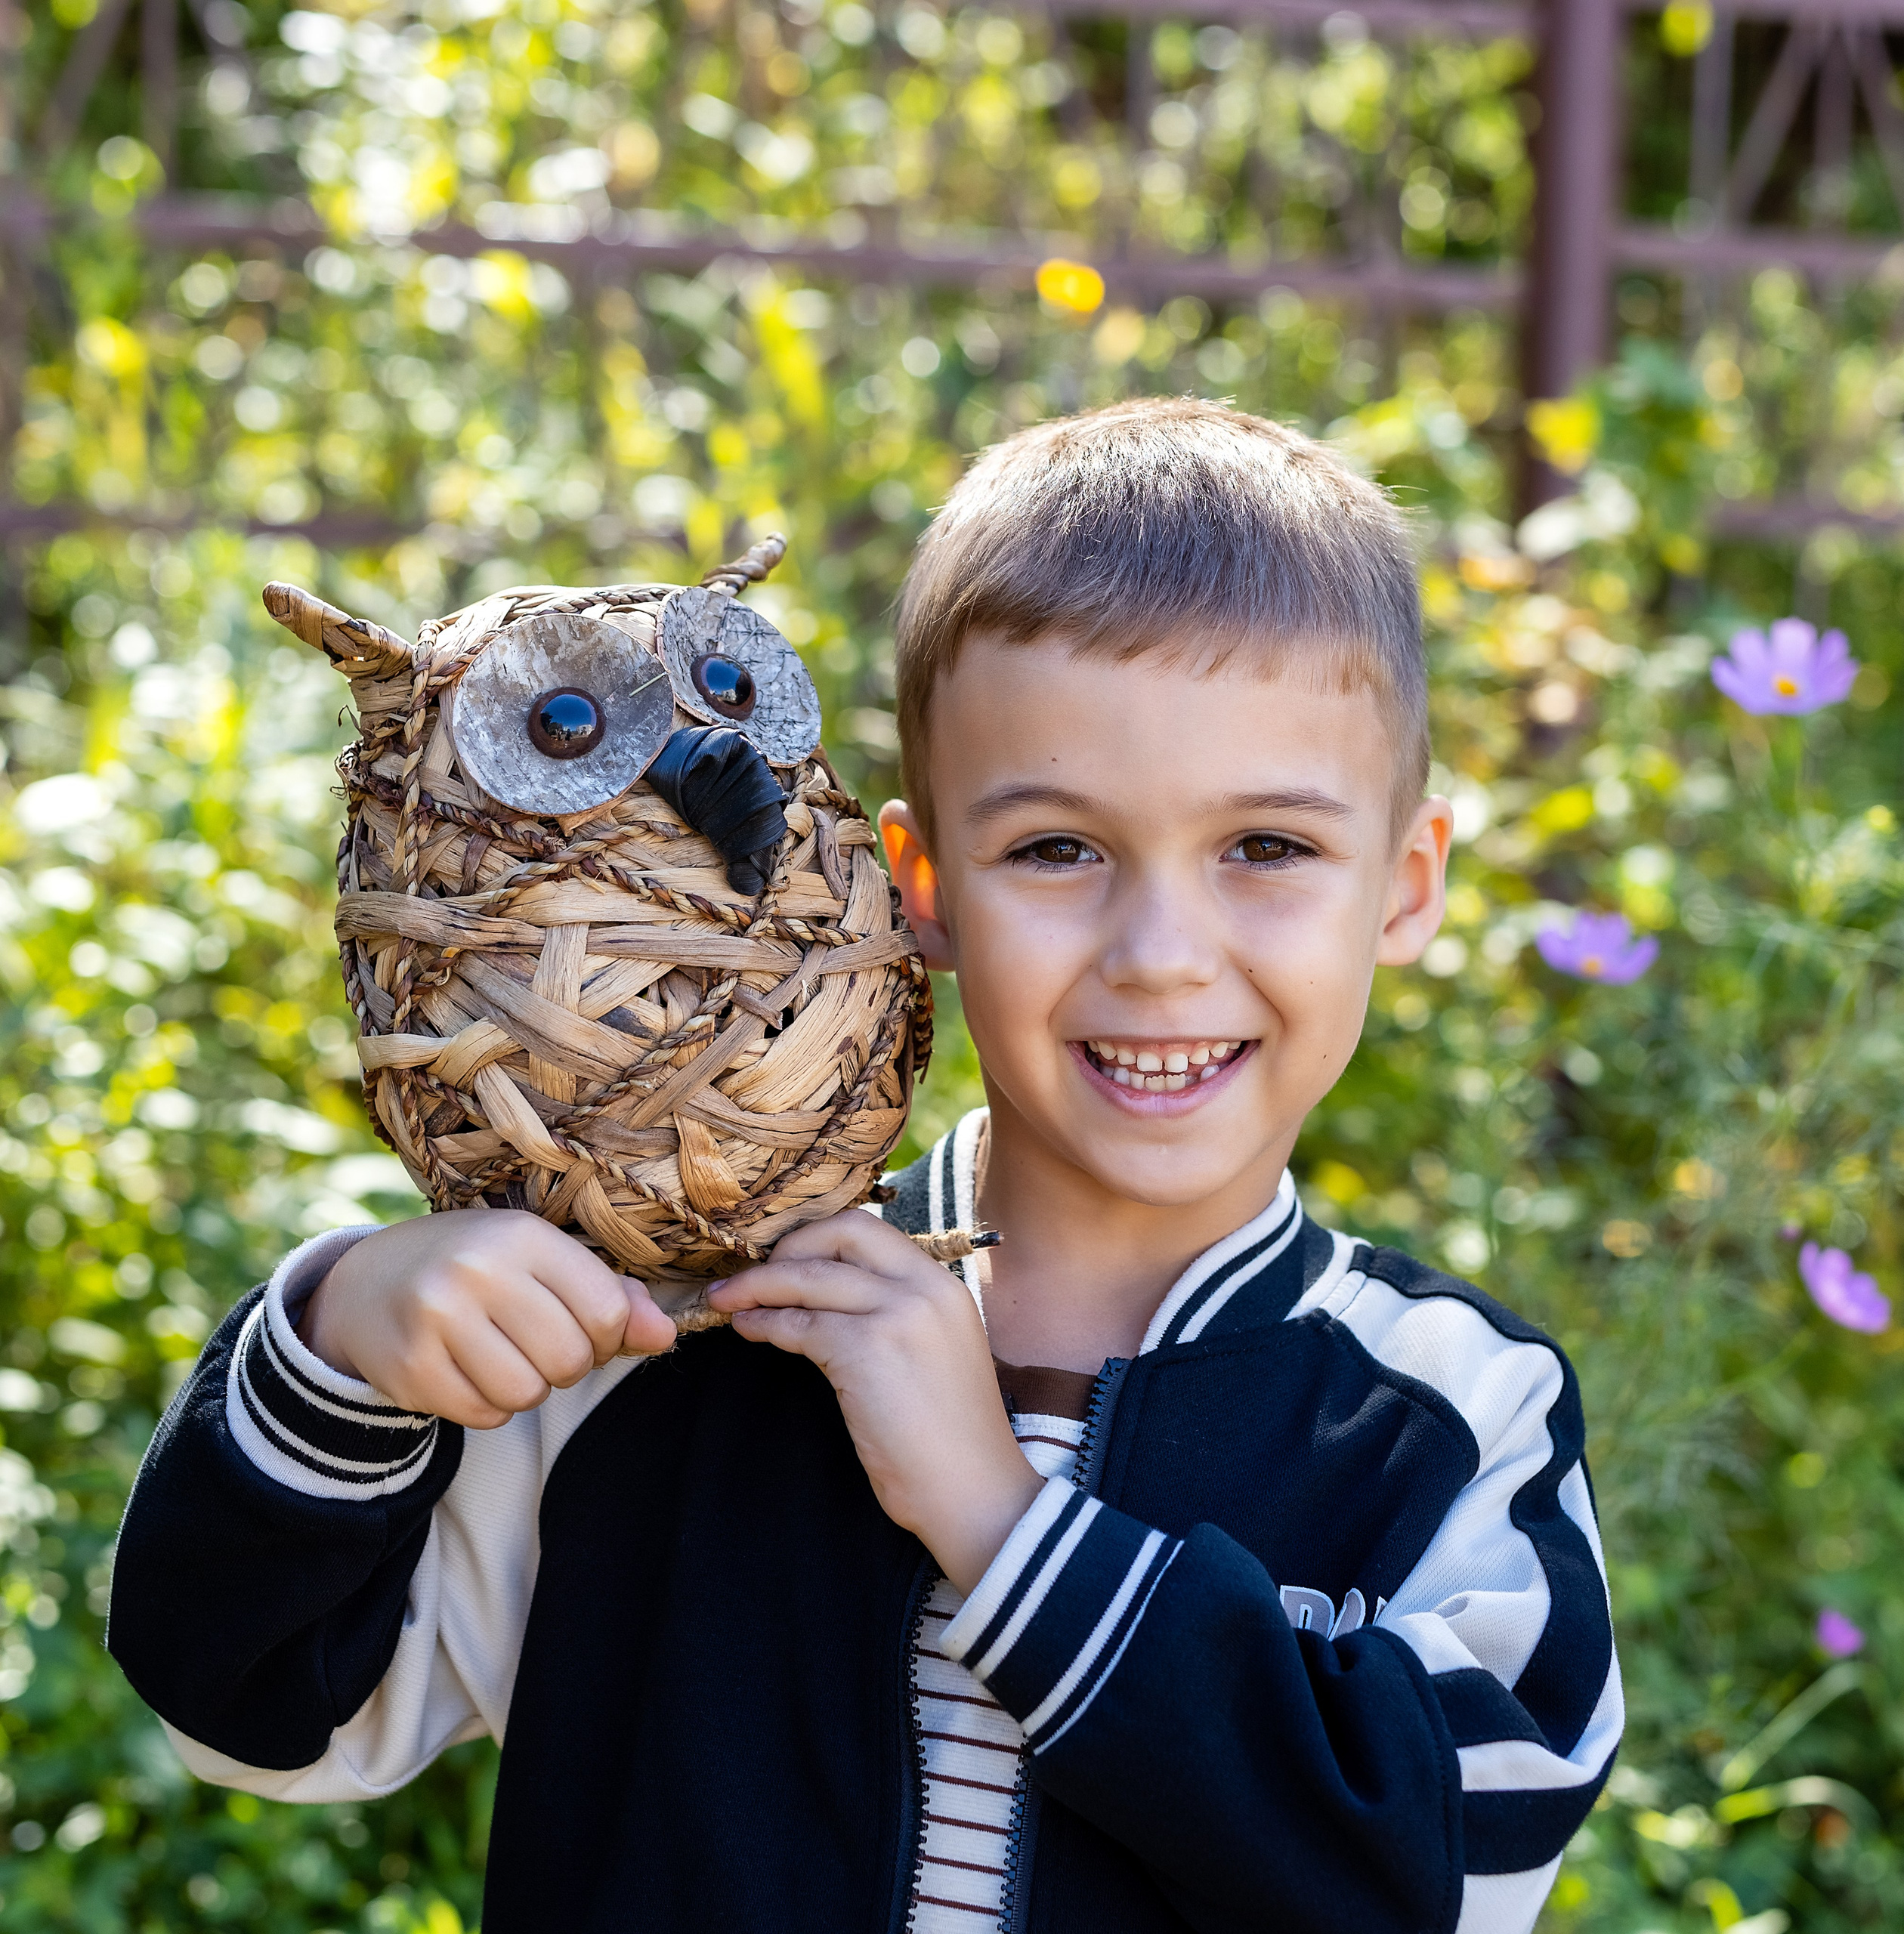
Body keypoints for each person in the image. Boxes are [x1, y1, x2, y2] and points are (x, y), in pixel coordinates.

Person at [109, 397, 1620, 1933]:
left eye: (1267, 848)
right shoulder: (675, 1335)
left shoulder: (1446, 1410)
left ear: (1404, 883)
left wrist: (998, 1516)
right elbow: (247, 1707)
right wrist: (336, 1342)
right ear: (921, 890)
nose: (1162, 956)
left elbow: (1453, 1864)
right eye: (1055, 848)